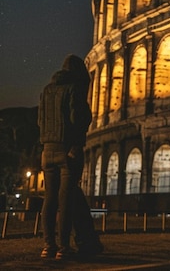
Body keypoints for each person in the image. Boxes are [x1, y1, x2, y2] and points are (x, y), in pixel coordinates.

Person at [38, 54, 101, 259]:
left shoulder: (47, 91)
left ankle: (48, 246)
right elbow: (78, 118)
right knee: (66, 200)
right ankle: (64, 248)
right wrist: (77, 140)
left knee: (49, 200)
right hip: (68, 150)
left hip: (47, 150)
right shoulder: (73, 89)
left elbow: (40, 121)